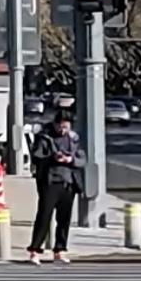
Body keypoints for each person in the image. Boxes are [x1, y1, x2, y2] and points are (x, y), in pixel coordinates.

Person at [28, 108, 85, 264]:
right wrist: (53, 157)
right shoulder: (45, 138)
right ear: (55, 124)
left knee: (64, 219)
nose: (63, 130)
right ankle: (35, 250)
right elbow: (37, 157)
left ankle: (60, 249)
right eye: (60, 126)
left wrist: (70, 160)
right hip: (50, 181)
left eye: (66, 127)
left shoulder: (73, 139)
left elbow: (82, 158)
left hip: (68, 183)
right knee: (44, 216)